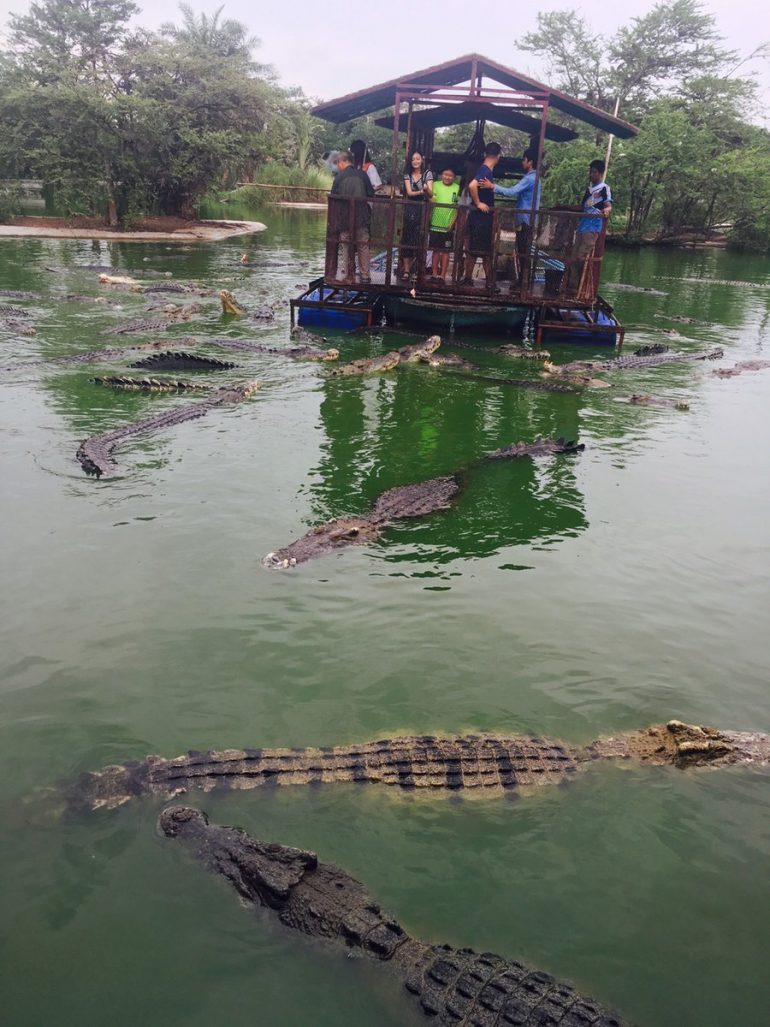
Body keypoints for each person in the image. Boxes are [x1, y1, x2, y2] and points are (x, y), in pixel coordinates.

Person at [491, 147, 540, 286]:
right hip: (526, 220)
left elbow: (511, 192)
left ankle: (524, 283)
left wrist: (492, 186)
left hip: (526, 221)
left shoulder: (530, 178)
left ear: (530, 162)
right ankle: (524, 282)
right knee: (523, 251)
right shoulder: (534, 178)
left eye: (524, 160)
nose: (522, 163)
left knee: (524, 252)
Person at [329, 150, 374, 284]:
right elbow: (371, 194)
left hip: (344, 219)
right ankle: (365, 275)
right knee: (363, 246)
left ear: (343, 161)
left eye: (338, 163)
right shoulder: (363, 175)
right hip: (362, 218)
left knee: (346, 246)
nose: (337, 166)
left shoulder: (339, 177)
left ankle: (348, 275)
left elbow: (333, 198)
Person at [568, 159, 612, 294]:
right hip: (582, 226)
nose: (591, 174)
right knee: (574, 258)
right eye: (590, 171)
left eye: (594, 172)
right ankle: (573, 287)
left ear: (600, 173)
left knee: (582, 256)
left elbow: (608, 205)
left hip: (593, 227)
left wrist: (607, 211)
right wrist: (565, 207)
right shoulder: (589, 189)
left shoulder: (604, 188)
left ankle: (582, 288)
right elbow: (582, 207)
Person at [462, 142, 502, 286]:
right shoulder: (485, 171)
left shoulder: (485, 170)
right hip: (481, 218)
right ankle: (488, 283)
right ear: (498, 156)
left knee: (475, 249)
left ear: (485, 154)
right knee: (484, 251)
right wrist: (478, 203)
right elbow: (472, 185)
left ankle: (469, 279)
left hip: (481, 218)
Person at [398, 151, 433, 281]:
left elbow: (430, 193)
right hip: (411, 207)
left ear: (422, 160)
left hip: (423, 208)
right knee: (407, 236)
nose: (415, 161)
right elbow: (409, 192)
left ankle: (419, 269)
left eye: (418, 158)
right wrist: (421, 190)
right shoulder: (407, 174)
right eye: (413, 159)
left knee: (421, 237)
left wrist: (426, 190)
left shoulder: (427, 174)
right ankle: (407, 270)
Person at [429, 167, 459, 282]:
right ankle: (434, 274)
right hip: (435, 223)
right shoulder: (435, 185)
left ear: (454, 177)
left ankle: (442, 276)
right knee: (435, 250)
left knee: (446, 251)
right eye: (445, 174)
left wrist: (452, 224)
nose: (447, 177)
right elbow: (432, 200)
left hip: (448, 226)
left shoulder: (457, 188)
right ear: (442, 175)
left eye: (450, 175)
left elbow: (457, 208)